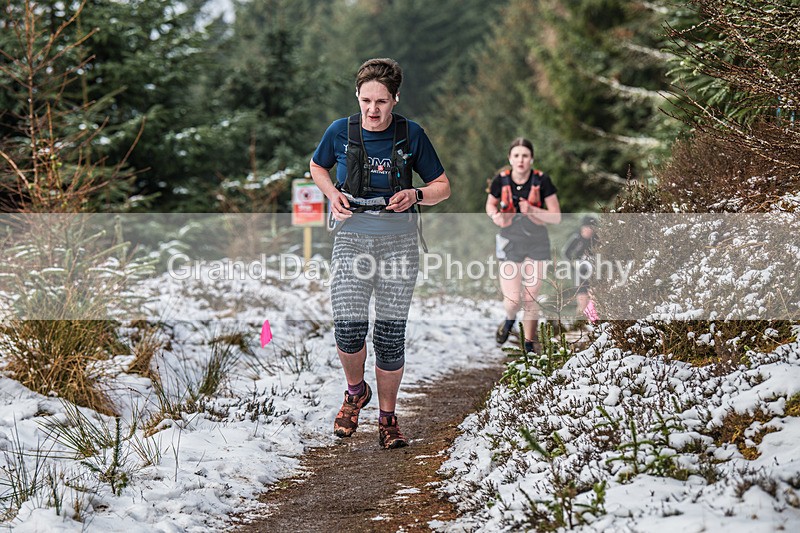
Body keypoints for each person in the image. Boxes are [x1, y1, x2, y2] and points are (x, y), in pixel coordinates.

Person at [309, 58, 450, 449]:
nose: (373, 109)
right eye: (366, 100)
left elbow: (443, 186)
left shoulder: (411, 134)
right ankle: (356, 391)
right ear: (357, 96)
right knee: (348, 327)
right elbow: (317, 167)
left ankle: (388, 419)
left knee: (389, 336)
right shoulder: (340, 131)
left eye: (382, 102)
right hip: (352, 237)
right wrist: (332, 194)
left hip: (399, 243)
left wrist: (416, 194)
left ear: (395, 99)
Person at [486, 138, 561, 354]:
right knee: (512, 300)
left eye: (525, 155)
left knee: (530, 297)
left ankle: (528, 345)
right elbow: (490, 204)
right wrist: (495, 216)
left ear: (532, 159)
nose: (521, 160)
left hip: (537, 243)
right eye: (516, 155)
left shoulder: (542, 180)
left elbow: (556, 217)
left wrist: (532, 210)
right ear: (510, 158)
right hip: (510, 242)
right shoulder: (501, 181)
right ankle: (509, 319)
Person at [563, 215, 598, 320]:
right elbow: (566, 253)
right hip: (580, 274)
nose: (587, 230)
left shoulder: (597, 239)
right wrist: (574, 263)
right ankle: (579, 324)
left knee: (594, 298)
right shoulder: (577, 238)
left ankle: (594, 323)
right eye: (585, 228)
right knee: (582, 301)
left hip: (594, 274)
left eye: (590, 228)